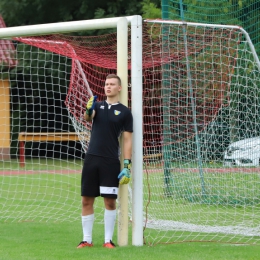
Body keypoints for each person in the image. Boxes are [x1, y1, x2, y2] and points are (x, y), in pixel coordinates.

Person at [77, 74, 133, 249]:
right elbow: (88, 117)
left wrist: (127, 164)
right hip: (92, 159)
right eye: (106, 84)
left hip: (110, 161)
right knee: (87, 200)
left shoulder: (125, 112)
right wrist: (88, 110)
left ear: (119, 88)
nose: (108, 87)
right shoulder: (98, 106)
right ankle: (87, 240)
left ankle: (108, 241)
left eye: (112, 84)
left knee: (109, 201)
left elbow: (127, 140)